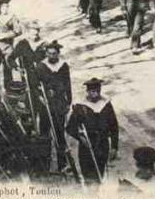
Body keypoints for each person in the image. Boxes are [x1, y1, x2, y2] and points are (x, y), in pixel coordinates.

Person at [66, 78, 119, 183]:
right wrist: (81, 138)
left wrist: (114, 147)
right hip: (87, 146)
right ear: (88, 91)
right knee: (88, 176)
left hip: (102, 145)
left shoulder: (106, 105)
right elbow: (70, 128)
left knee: (100, 174)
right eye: (92, 91)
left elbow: (114, 126)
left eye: (97, 91)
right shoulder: (80, 107)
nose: (95, 94)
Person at [36, 40, 72, 171]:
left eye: (54, 54)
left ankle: (62, 164)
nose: (52, 56)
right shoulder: (40, 67)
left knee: (59, 133)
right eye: (49, 53)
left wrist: (69, 102)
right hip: (45, 104)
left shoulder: (63, 66)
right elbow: (35, 86)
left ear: (58, 53)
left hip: (59, 103)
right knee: (44, 134)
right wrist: (40, 97)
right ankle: (43, 164)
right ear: (46, 53)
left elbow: (68, 84)